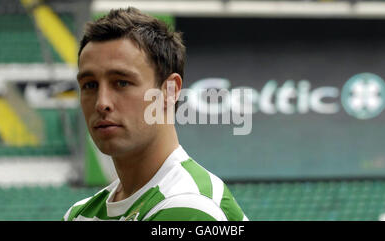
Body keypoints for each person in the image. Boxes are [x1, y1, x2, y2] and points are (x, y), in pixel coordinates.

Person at [63, 7, 248, 221]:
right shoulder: (79, 214)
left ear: (170, 91)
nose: (101, 103)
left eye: (122, 82)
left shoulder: (190, 205)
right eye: (90, 85)